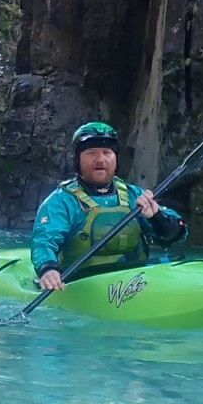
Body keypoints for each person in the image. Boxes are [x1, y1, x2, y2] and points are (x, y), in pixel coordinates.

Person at [32, 122, 187, 291]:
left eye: (107, 153)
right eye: (91, 153)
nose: (100, 159)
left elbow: (176, 235)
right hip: (84, 286)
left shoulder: (133, 195)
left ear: (115, 158)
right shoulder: (62, 201)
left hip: (136, 286)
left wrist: (157, 217)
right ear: (77, 159)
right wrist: (47, 269)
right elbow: (44, 240)